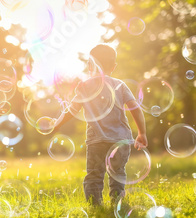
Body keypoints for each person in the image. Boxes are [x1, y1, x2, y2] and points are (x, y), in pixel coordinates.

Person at [53, 44, 148, 206]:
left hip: (96, 140)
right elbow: (135, 108)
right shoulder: (120, 85)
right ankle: (117, 203)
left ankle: (95, 205)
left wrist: (56, 123)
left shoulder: (84, 86)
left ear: (90, 65)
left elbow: (72, 110)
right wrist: (142, 133)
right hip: (121, 140)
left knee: (94, 174)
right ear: (114, 66)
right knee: (117, 173)